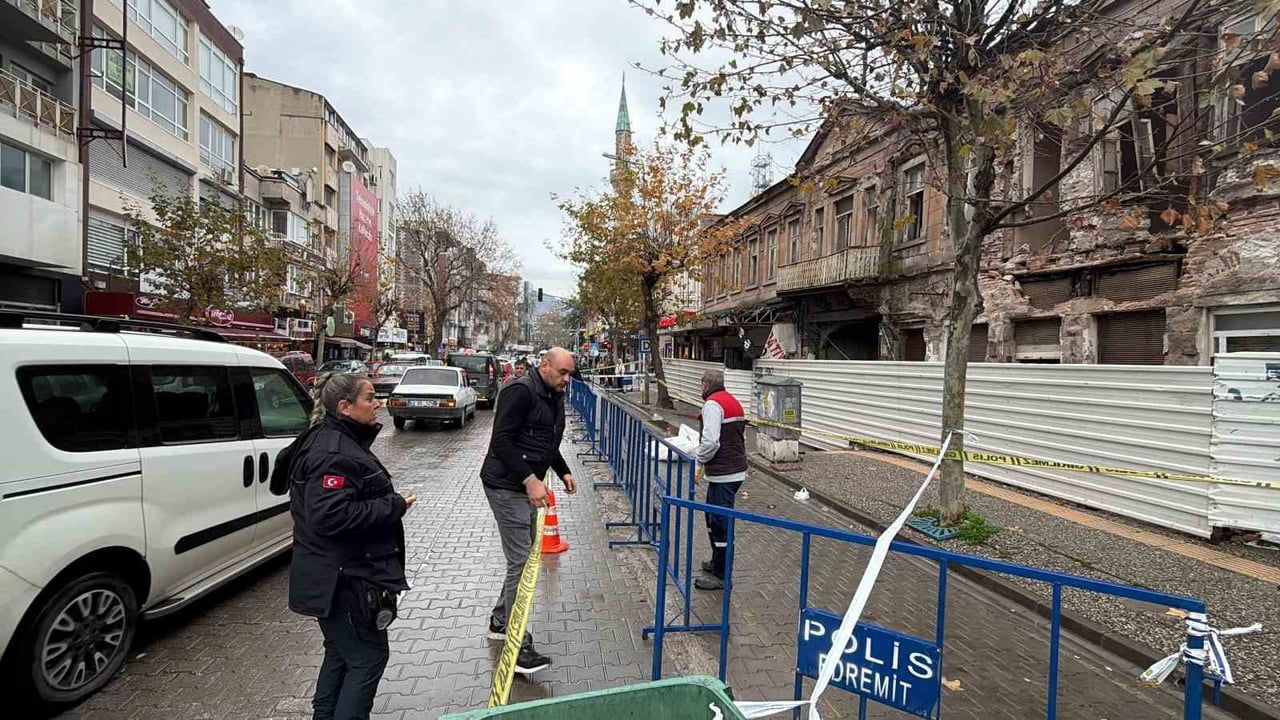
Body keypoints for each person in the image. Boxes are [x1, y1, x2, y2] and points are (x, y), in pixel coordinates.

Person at [271, 373, 416, 720]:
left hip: (337, 574)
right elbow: (330, 517)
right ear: (345, 407)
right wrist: (394, 506)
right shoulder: (332, 451)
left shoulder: (332, 439)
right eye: (369, 398)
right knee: (367, 658)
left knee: (341, 652)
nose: (377, 402)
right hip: (344, 579)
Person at [480, 347, 578, 674]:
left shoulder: (554, 395)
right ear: (544, 365)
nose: (567, 380)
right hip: (505, 486)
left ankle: (499, 620)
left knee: (522, 560)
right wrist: (529, 480)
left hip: (526, 487)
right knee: (521, 563)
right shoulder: (519, 391)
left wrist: (562, 470)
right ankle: (516, 642)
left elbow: (546, 443)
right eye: (562, 373)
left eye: (570, 374)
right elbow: (501, 441)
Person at [693, 369, 748, 591]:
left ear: (705, 385)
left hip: (724, 474)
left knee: (720, 523)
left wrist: (698, 458)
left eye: (700, 385)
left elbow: (711, 442)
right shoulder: (732, 401)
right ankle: (716, 562)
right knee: (712, 518)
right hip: (732, 471)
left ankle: (721, 575)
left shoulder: (713, 405)